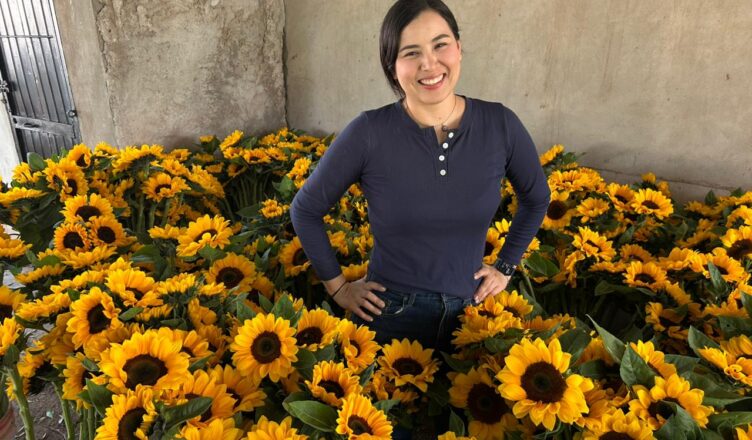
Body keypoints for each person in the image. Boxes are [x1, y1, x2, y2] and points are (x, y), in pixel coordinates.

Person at [290, 0, 549, 367]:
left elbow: (537, 198)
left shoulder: (500, 124)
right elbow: (305, 210)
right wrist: (339, 289)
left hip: (474, 318)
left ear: (459, 48)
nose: (429, 64)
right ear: (392, 67)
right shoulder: (368, 132)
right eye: (411, 53)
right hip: (388, 318)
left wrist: (505, 267)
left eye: (440, 45)